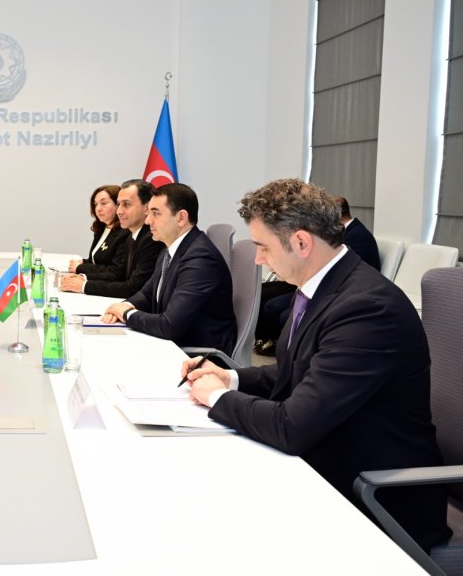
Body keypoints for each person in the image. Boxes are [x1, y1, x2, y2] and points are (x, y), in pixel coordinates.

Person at [181, 178, 450, 553]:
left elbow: (292, 426)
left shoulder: (367, 308)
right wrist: (230, 377)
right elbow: (301, 371)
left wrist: (217, 397)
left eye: (263, 246)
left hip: (372, 498)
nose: (258, 259)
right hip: (329, 455)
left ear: (302, 242)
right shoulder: (320, 286)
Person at [102, 183, 237, 354]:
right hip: (174, 343)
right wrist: (123, 306)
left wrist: (127, 314)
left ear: (181, 218)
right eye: (149, 213)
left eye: (156, 213)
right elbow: (147, 294)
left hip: (198, 356)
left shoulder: (200, 259)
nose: (148, 220)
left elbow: (169, 326)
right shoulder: (170, 248)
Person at [254, 194, 381, 355]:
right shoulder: (343, 231)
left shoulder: (358, 236)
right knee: (262, 291)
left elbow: (347, 273)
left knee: (274, 306)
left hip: (331, 288)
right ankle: (268, 341)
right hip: (315, 279)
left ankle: (284, 347)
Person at [60, 179, 163, 298]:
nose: (119, 211)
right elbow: (121, 276)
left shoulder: (151, 239)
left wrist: (84, 285)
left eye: (126, 204)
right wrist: (83, 278)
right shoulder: (133, 236)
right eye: (119, 204)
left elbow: (132, 288)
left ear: (147, 208)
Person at [66, 184, 131, 279]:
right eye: (96, 204)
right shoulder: (101, 229)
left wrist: (81, 268)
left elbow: (116, 271)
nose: (98, 208)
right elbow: (96, 261)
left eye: (103, 203)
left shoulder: (124, 233)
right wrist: (83, 262)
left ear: (118, 205)